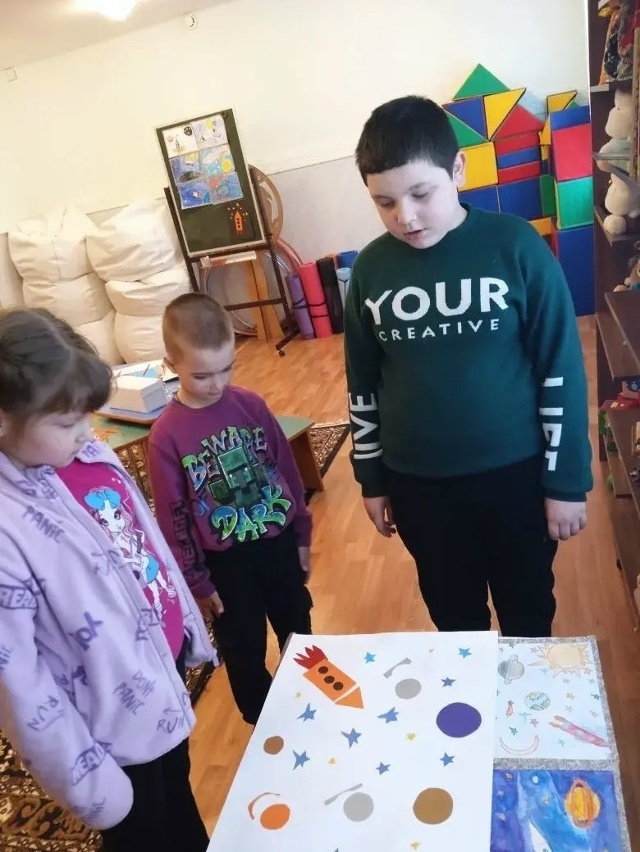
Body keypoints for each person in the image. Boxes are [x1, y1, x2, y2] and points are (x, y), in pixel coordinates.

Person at [344, 95, 592, 638]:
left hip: (516, 479)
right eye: (384, 202)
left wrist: (567, 480)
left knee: (528, 615)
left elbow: (561, 369)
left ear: (457, 169)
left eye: (420, 193)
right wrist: (372, 479)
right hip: (419, 489)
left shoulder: (516, 246)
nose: (405, 216)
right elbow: (362, 383)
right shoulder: (370, 269)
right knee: (455, 623)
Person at [0, 307, 214, 852]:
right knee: (147, 832)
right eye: (66, 422)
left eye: (85, 416)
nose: (86, 432)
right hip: (109, 734)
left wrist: (187, 623)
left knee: (181, 806)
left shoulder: (89, 454)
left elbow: (144, 542)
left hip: (158, 682)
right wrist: (91, 784)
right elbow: (19, 685)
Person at [147, 292, 313, 725]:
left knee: (298, 624)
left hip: (277, 544)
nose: (217, 383)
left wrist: (302, 532)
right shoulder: (166, 435)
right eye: (202, 375)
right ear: (171, 364)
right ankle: (263, 723)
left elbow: (286, 470)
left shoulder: (251, 405)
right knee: (243, 647)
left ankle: (311, 703)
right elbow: (173, 517)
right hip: (225, 565)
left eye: (226, 368)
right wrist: (197, 581)